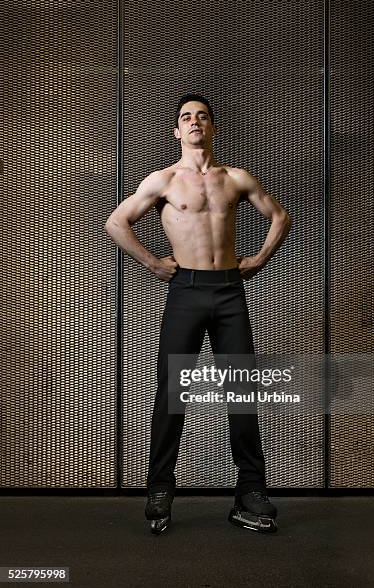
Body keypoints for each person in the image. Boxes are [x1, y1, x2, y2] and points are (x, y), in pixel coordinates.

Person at [104, 93, 292, 534]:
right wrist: (153, 262)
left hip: (229, 290)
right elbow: (116, 222)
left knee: (242, 394)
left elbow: (279, 216)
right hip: (185, 290)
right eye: (186, 117)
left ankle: (250, 494)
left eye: (202, 117)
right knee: (173, 394)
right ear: (177, 130)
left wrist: (260, 259)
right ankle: (159, 490)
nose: (194, 122)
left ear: (213, 128)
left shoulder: (237, 179)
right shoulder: (164, 180)